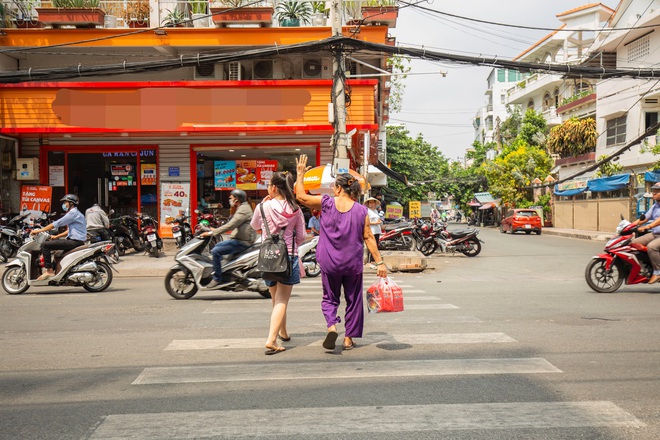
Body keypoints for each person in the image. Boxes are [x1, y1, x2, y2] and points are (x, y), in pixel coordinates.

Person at [295, 154, 387, 351]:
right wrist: (380, 263)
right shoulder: (362, 211)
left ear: (338, 188)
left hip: (329, 262)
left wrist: (300, 174)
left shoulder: (327, 203)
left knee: (330, 298)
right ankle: (348, 338)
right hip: (352, 264)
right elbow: (369, 237)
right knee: (353, 300)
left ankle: (331, 326)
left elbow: (301, 197)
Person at [251, 172, 305, 355]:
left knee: (275, 298)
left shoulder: (262, 206)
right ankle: (272, 339)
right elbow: (303, 236)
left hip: (268, 257)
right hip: (288, 256)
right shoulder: (295, 209)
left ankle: (283, 331)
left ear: (273, 188)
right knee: (282, 299)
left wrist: (264, 206)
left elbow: (254, 225)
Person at [201, 189, 255, 288]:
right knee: (217, 246)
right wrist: (214, 230)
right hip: (239, 239)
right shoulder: (241, 208)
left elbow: (230, 225)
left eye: (231, 197)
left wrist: (211, 232)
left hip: (242, 242)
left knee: (216, 252)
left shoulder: (243, 210)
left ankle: (217, 278)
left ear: (236, 199)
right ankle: (224, 271)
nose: (229, 199)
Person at [30, 194, 87, 280]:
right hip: (76, 240)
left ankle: (49, 271)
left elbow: (57, 224)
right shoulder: (77, 214)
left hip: (74, 241)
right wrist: (57, 236)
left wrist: (38, 231)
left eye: (65, 202)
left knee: (45, 245)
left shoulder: (72, 214)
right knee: (57, 253)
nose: (64, 204)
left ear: (71, 203)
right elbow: (70, 230)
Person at [631, 182, 660, 284]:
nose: (654, 193)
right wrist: (630, 226)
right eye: (654, 191)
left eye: (657, 191)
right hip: (655, 234)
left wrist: (648, 226)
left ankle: (657, 272)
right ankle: (643, 267)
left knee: (651, 247)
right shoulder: (655, 205)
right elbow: (645, 217)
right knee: (633, 244)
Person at [364, 197, 382, 262]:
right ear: (368, 204)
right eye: (370, 202)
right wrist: (375, 223)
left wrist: (379, 222)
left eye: (373, 202)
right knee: (371, 246)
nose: (372, 204)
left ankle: (374, 260)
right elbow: (366, 222)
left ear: (375, 204)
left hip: (377, 230)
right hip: (371, 231)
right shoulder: (367, 211)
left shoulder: (376, 211)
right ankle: (369, 261)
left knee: (376, 246)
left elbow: (377, 219)